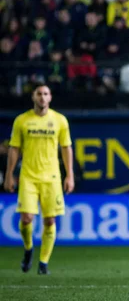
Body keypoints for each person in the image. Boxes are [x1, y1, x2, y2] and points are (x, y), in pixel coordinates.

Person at [4, 84, 74, 275]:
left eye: (45, 94)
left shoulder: (60, 120)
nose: (42, 97)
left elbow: (66, 148)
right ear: (33, 97)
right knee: (26, 218)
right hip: (28, 176)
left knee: (50, 221)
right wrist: (9, 175)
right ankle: (28, 249)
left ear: (50, 98)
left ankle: (43, 263)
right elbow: (14, 148)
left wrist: (70, 175)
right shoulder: (22, 120)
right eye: (39, 94)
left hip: (51, 177)